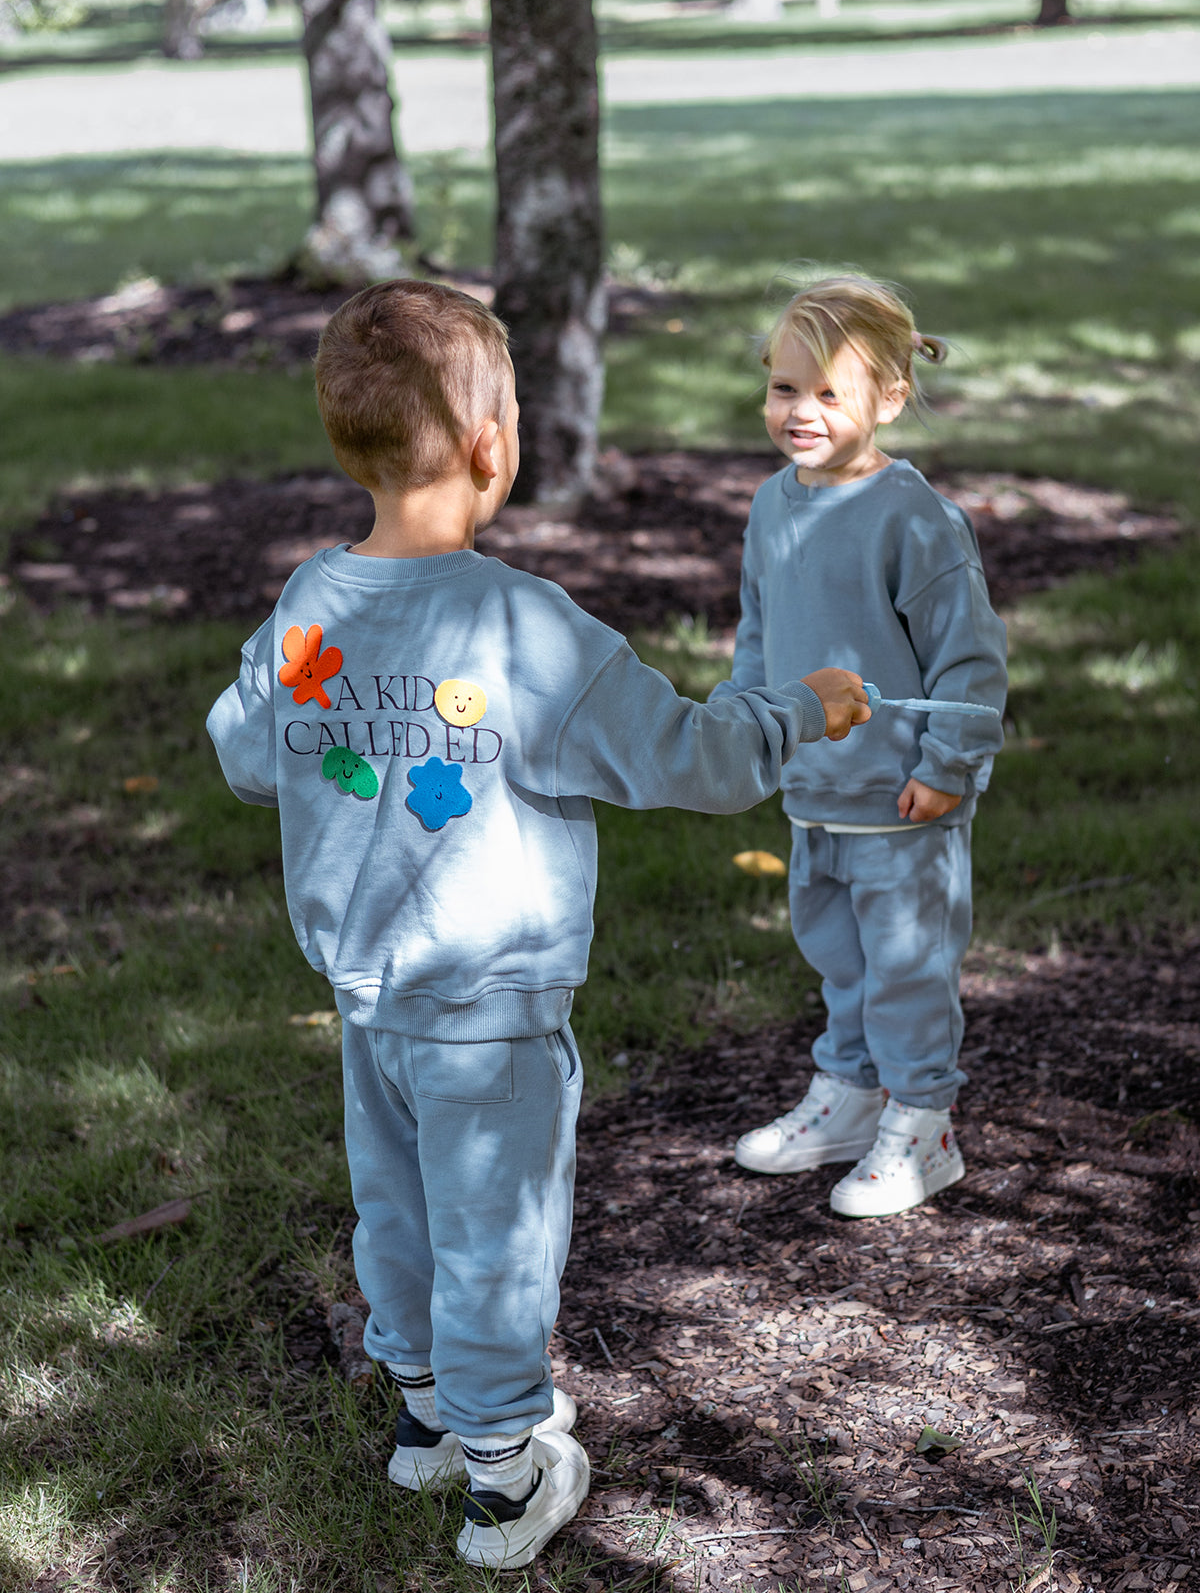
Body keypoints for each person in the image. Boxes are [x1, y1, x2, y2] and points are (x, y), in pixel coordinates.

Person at [206, 278, 869, 1569]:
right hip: (492, 1013)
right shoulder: (520, 628)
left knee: (394, 1207)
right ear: (495, 446)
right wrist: (802, 711)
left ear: (352, 443)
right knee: (495, 1232)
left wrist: (329, 733)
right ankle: (508, 1468)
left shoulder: (308, 610)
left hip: (371, 1001)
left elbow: (242, 750)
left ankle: (429, 1419)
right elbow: (693, 757)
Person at [713, 272, 1007, 1219]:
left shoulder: (913, 519)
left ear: (888, 398)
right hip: (816, 791)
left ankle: (924, 1125)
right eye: (784, 388)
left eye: (828, 392)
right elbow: (758, 634)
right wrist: (745, 730)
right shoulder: (770, 506)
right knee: (838, 956)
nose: (800, 411)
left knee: (907, 968)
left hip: (901, 800)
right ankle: (849, 1096)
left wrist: (946, 769)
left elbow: (969, 658)